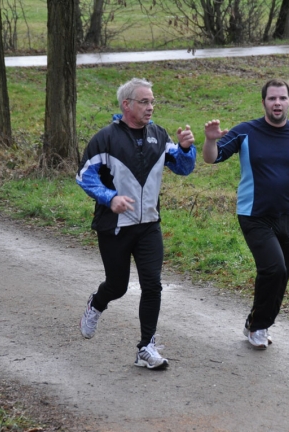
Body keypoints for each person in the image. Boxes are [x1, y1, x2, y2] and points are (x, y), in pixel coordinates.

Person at [76, 77, 196, 369]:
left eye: (153, 101)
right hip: (115, 226)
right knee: (117, 286)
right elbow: (84, 176)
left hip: (149, 225)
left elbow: (183, 168)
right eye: (144, 101)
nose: (150, 107)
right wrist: (109, 198)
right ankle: (96, 304)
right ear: (126, 105)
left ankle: (146, 347)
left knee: (152, 285)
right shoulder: (105, 139)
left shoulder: (159, 135)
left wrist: (185, 148)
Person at [202, 78, 289, 350]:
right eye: (272, 98)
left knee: (281, 276)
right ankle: (259, 327)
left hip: (288, 216)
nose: (277, 103)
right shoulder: (246, 132)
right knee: (273, 268)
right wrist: (210, 141)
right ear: (264, 102)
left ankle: (256, 321)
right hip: (254, 215)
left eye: (282, 98)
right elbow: (212, 158)